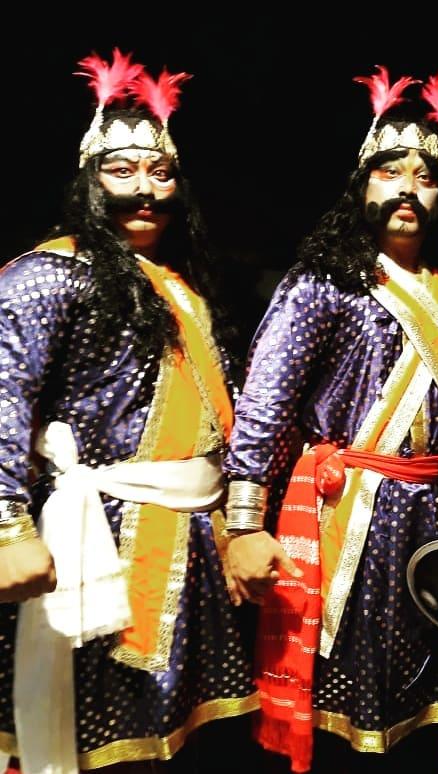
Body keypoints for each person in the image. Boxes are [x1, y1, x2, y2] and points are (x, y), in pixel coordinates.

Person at [0, 50, 258, 772]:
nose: (145, 189)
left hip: (190, 538)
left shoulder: (183, 284)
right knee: (93, 731)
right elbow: (1, 397)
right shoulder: (45, 276)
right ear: (89, 182)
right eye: (122, 172)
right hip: (95, 542)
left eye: (161, 173)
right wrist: (6, 529)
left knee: (174, 742)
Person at [223, 67, 438, 772]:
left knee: (426, 708)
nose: (408, 189)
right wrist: (244, 524)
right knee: (340, 708)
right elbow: (266, 403)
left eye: (425, 178)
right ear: (361, 187)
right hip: (347, 516)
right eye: (390, 173)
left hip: (432, 516)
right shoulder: (322, 283)